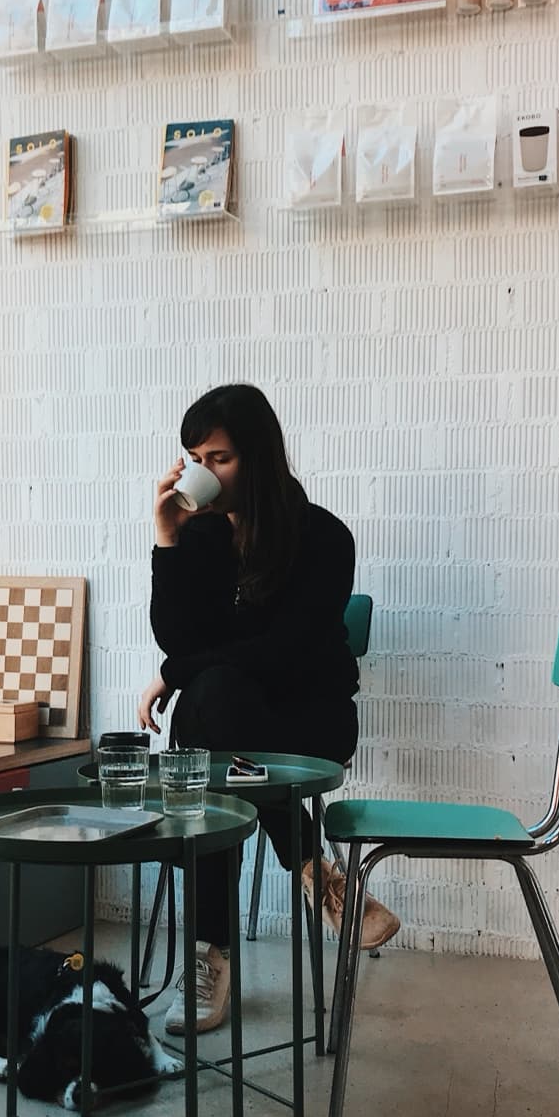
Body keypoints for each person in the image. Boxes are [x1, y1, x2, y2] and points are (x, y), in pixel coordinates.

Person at [138, 383, 399, 1035]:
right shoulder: (199, 537)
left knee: (203, 735)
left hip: (308, 722)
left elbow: (284, 652)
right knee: (211, 721)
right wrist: (167, 541)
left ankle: (207, 954)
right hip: (232, 733)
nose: (203, 470)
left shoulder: (323, 538)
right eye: (194, 455)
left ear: (259, 456)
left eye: (219, 456)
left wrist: (174, 674)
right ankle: (315, 868)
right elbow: (181, 639)